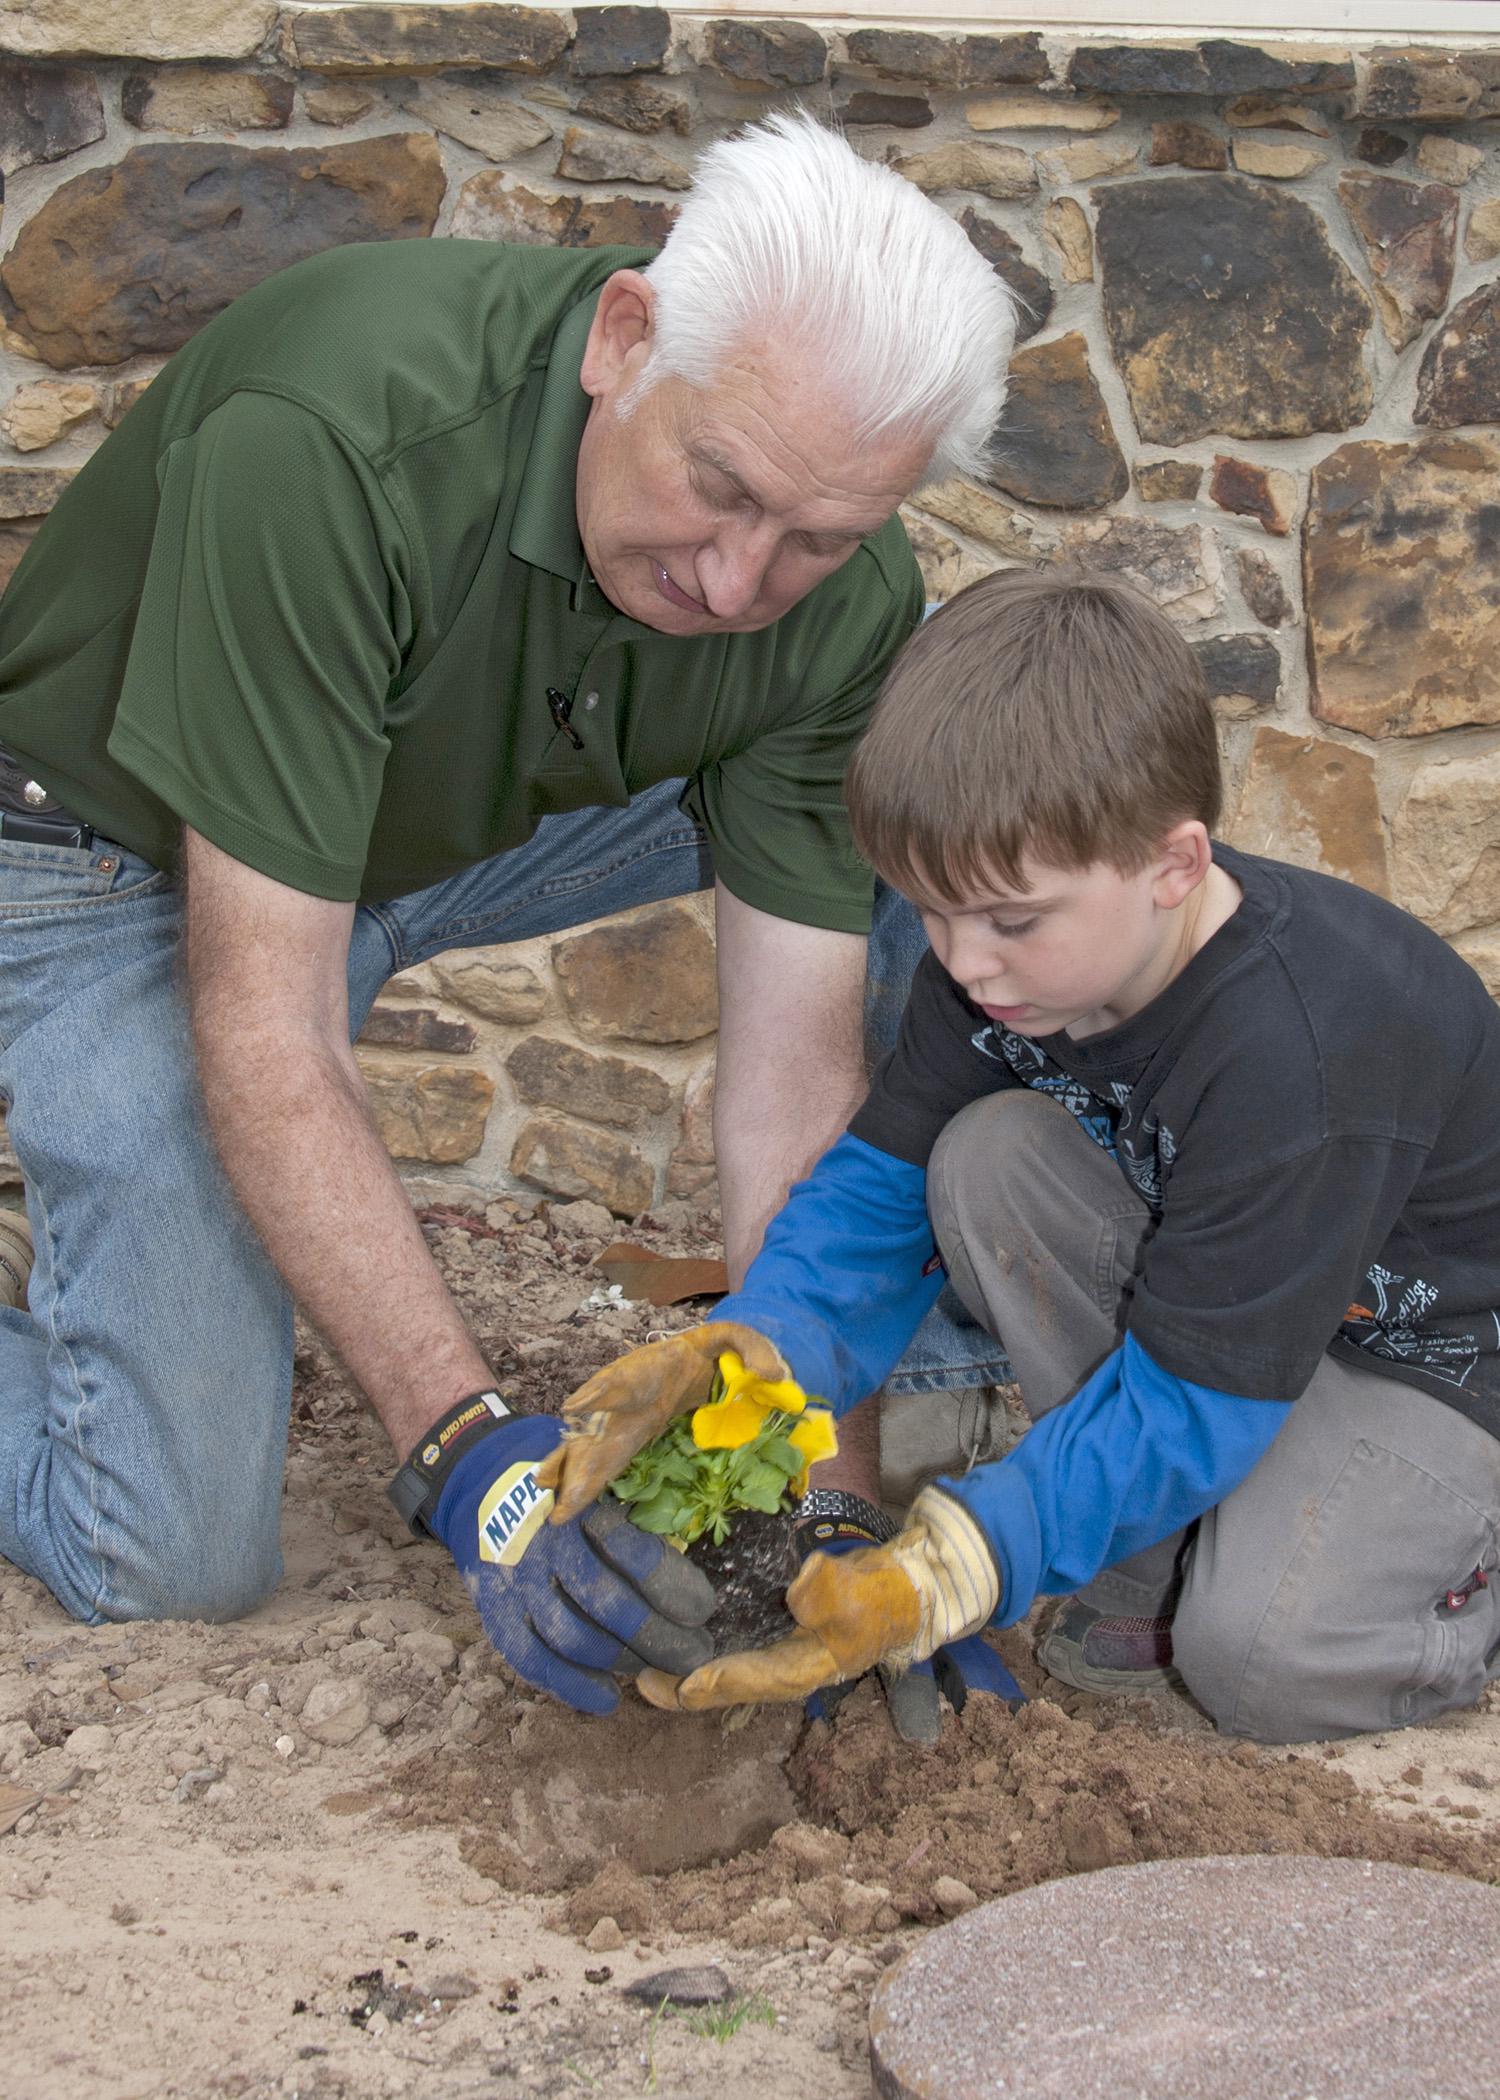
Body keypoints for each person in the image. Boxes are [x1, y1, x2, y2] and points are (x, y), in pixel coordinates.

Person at [0, 113, 1017, 1696]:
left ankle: (937, 1380)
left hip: (427, 829)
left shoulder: (840, 606)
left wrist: (817, 1493)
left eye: (816, 539)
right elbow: (267, 1028)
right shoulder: (337, 435)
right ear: (624, 338)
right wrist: (483, 1466)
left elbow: (793, 1079)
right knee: (167, 1552)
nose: (740, 585)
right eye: (720, 487)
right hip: (109, 853)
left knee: (955, 816)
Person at [541, 567, 1500, 1744]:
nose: (966, 964)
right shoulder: (1003, 975)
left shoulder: (1301, 1051)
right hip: (1246, 1316)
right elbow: (874, 1202)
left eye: (1009, 920)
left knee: (1260, 1664)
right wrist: (756, 1352)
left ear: (1175, 864)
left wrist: (953, 1568)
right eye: (930, 914)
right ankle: (1156, 1548)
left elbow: (1197, 1398)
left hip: (1438, 1360)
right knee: (984, 1155)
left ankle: (1453, 1570)